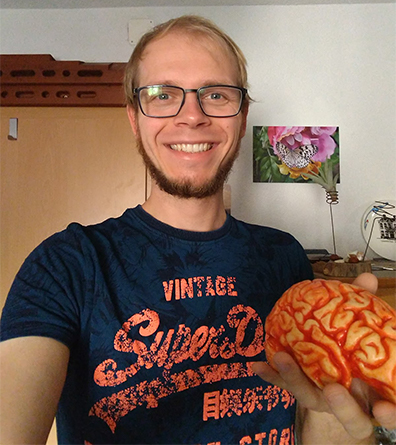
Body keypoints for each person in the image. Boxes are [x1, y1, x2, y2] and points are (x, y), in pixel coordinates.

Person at [0, 14, 395, 445]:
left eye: (216, 94)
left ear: (241, 118)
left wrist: (343, 414)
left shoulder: (283, 256)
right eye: (163, 94)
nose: (192, 116)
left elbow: (310, 418)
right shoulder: (65, 265)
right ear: (135, 118)